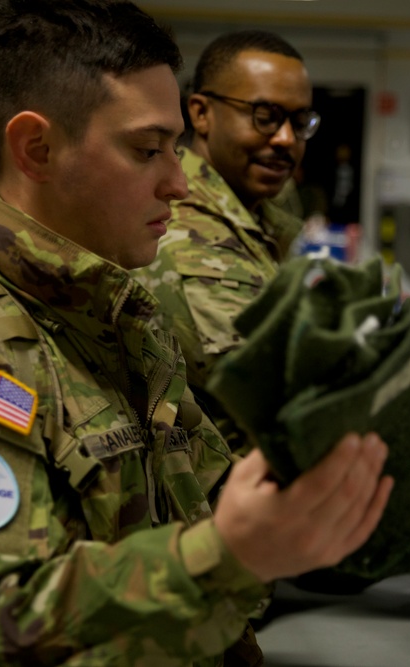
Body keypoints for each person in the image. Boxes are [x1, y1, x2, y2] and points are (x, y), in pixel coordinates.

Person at [0, 2, 393, 665]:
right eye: (147, 150)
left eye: (175, 149)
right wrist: (224, 557)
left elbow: (206, 501)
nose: (178, 184)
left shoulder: (119, 322)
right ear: (37, 148)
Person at [137, 30, 319, 452]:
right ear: (201, 114)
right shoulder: (193, 246)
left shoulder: (253, 205)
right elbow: (297, 406)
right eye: (265, 116)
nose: (286, 139)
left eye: (300, 121)